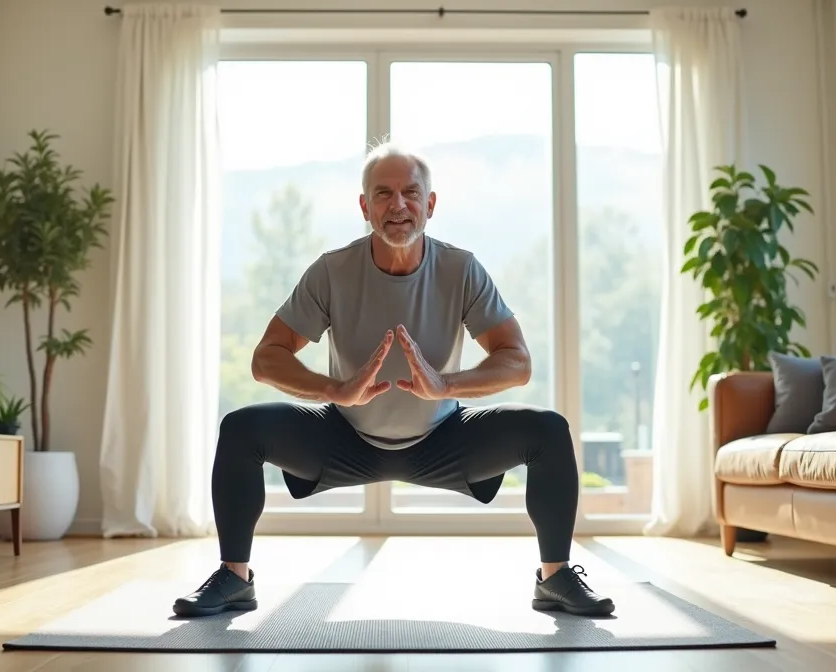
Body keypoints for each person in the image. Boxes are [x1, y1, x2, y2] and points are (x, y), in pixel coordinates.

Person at [172, 141, 615, 618]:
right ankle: (234, 578)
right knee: (241, 429)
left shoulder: (460, 269)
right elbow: (267, 358)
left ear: (430, 203)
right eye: (383, 194)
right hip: (344, 435)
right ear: (365, 206)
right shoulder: (333, 270)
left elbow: (517, 361)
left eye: (410, 192)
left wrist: (446, 385)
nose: (398, 205)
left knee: (547, 430)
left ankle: (555, 578)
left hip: (442, 438)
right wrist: (333, 389)